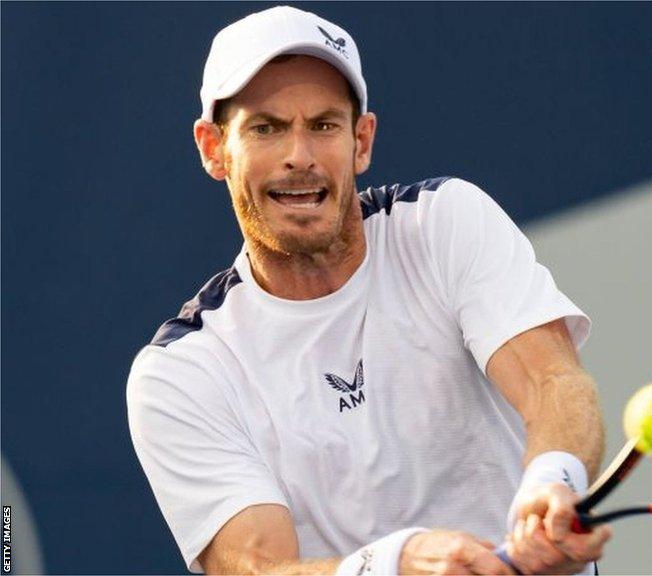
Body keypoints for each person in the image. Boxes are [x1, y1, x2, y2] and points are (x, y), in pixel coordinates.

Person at [126, 6, 611, 575]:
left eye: (324, 125)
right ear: (214, 149)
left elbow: (553, 380)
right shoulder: (181, 371)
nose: (299, 156)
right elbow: (255, 567)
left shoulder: (442, 222)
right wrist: (395, 565)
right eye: (266, 128)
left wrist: (552, 480)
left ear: (362, 141)